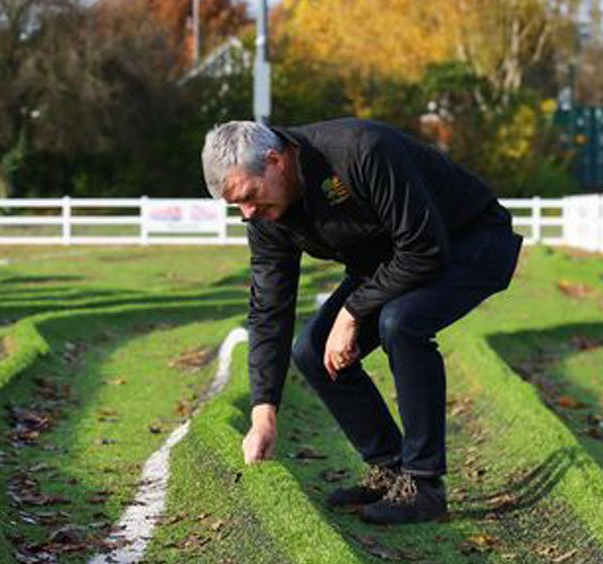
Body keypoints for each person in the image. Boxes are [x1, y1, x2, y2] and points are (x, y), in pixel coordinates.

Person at [200, 118, 522, 525]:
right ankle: (389, 466)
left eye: (249, 195)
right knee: (312, 351)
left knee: (401, 322)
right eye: (237, 207)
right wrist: (263, 413)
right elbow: (269, 307)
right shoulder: (265, 216)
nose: (248, 213)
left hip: (468, 240)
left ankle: (424, 486)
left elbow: (424, 248)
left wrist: (351, 314)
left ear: (275, 161)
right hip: (393, 259)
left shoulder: (361, 151)